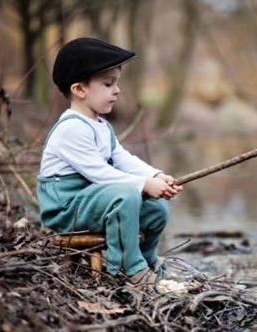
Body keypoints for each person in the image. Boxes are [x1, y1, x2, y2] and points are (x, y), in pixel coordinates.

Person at [37, 37, 182, 284]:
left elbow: (122, 158)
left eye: (116, 83)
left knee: (157, 209)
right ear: (79, 90)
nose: (117, 90)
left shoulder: (101, 125)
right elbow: (100, 173)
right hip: (67, 209)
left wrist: (155, 176)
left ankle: (146, 260)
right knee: (126, 195)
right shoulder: (71, 128)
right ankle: (129, 267)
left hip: (92, 201)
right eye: (108, 84)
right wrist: (144, 185)